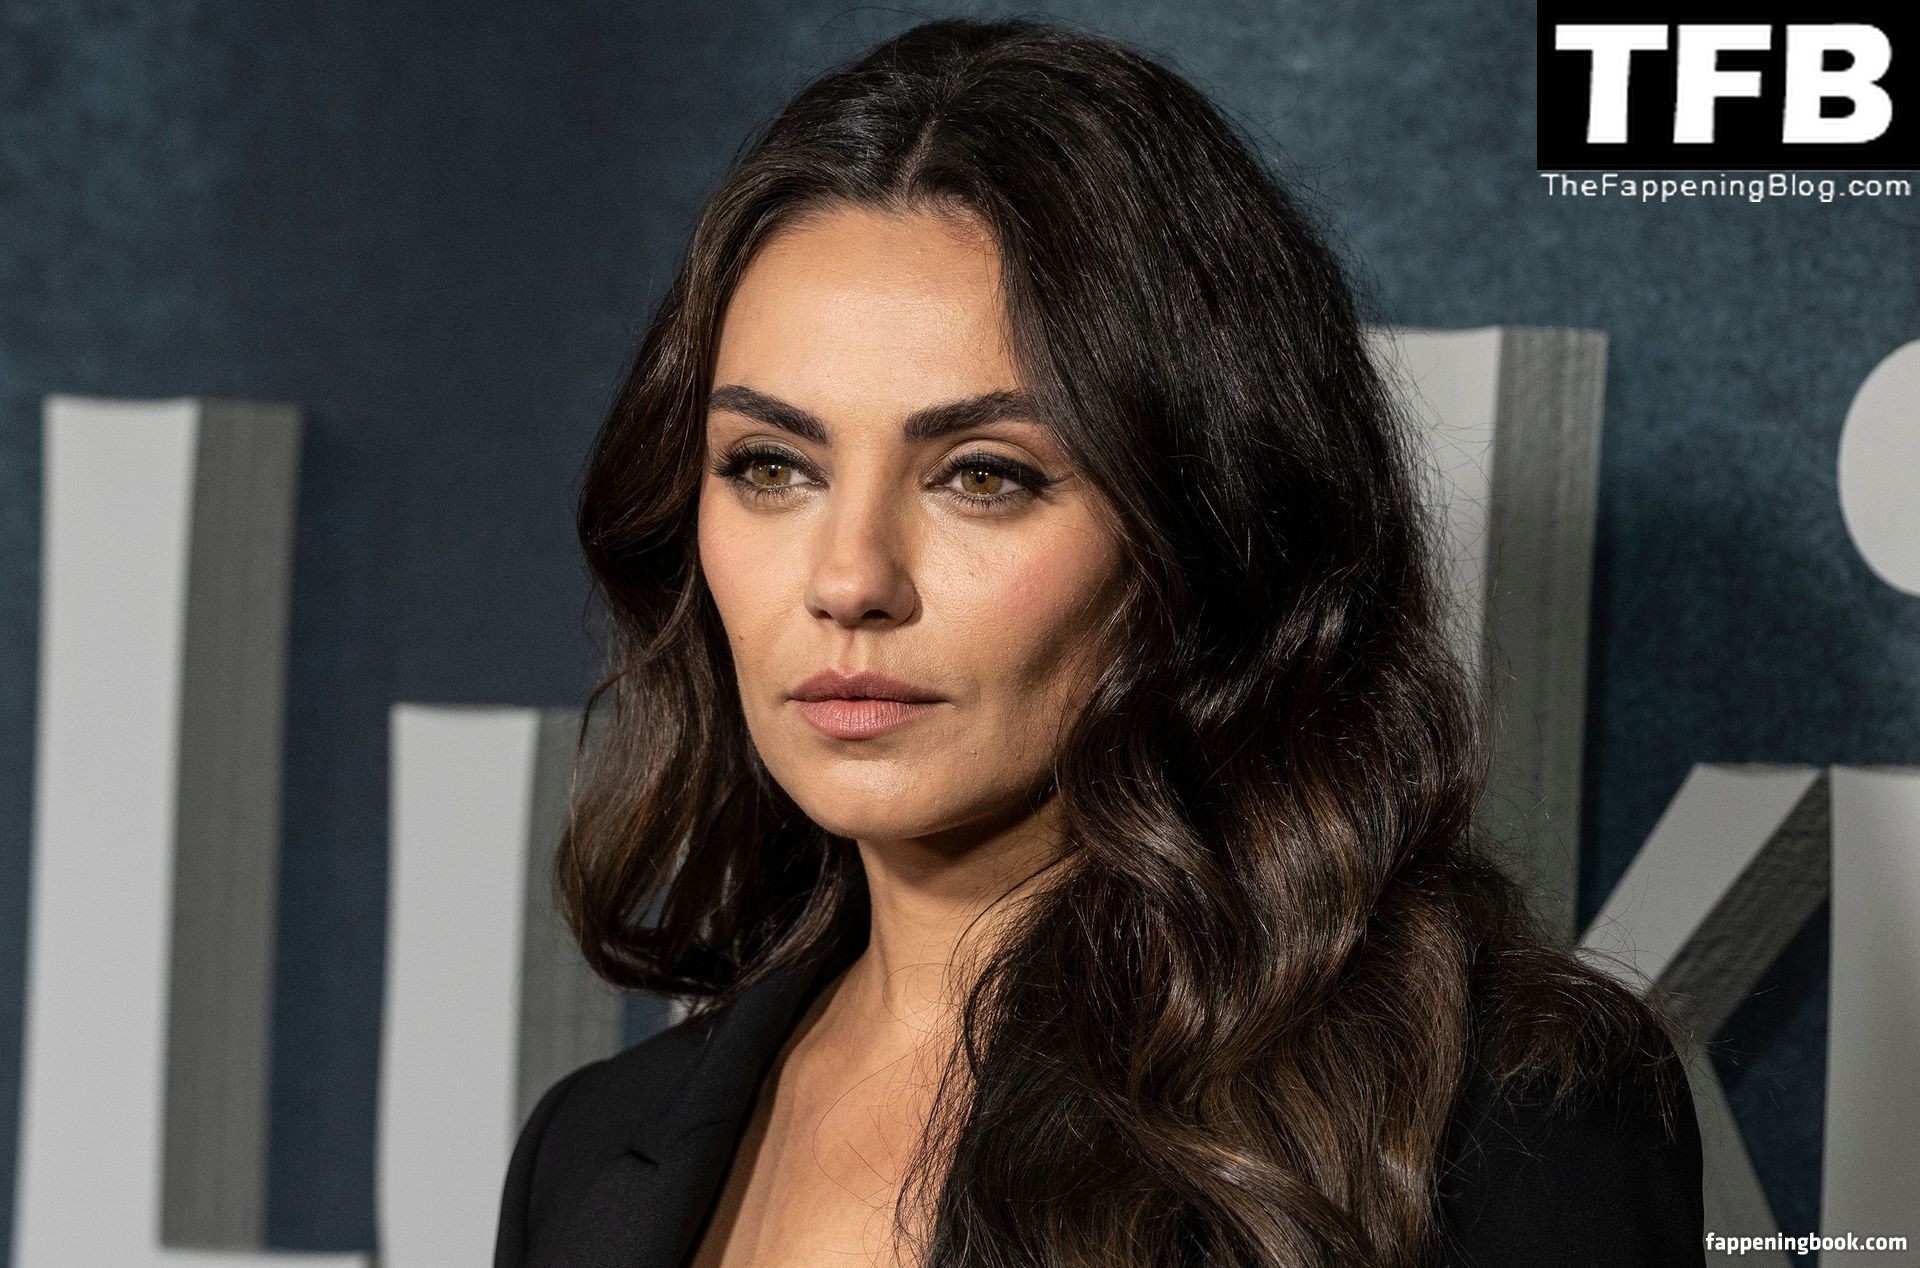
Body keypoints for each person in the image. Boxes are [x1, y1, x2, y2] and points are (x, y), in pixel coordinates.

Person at [493, 16, 1706, 1268]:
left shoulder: (1498, 1118)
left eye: (983, 474)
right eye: (770, 465)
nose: (849, 579)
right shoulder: (586, 1154)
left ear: (1201, 527)